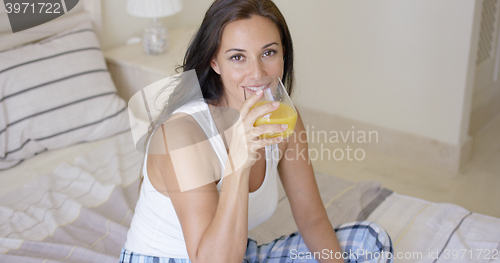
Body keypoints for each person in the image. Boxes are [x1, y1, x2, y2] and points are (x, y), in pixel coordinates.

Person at [120, 0, 393, 262]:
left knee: (369, 241)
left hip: (237, 253)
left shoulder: (285, 120)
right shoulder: (182, 136)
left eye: (268, 53)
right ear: (215, 63)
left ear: (283, 53)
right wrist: (238, 163)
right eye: (238, 57)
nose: (257, 72)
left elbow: (312, 219)